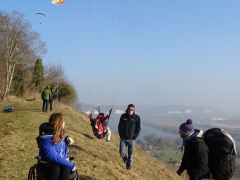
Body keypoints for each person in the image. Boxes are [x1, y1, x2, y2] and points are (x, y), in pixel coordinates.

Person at [36, 113, 77, 180]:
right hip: (48, 163)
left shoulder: (58, 133)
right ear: (59, 123)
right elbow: (52, 156)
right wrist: (71, 165)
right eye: (63, 121)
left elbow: (59, 146)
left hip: (60, 161)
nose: (64, 123)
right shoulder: (46, 138)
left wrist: (67, 139)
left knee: (66, 168)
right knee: (56, 169)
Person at [118, 104, 141, 171]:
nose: (130, 111)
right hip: (123, 138)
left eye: (132, 110)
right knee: (122, 152)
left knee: (130, 154)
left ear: (134, 110)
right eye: (129, 109)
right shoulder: (123, 116)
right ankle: (127, 162)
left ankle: (129, 167)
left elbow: (138, 128)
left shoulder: (137, 118)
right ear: (127, 109)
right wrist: (121, 135)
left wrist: (135, 136)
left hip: (132, 139)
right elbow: (120, 126)